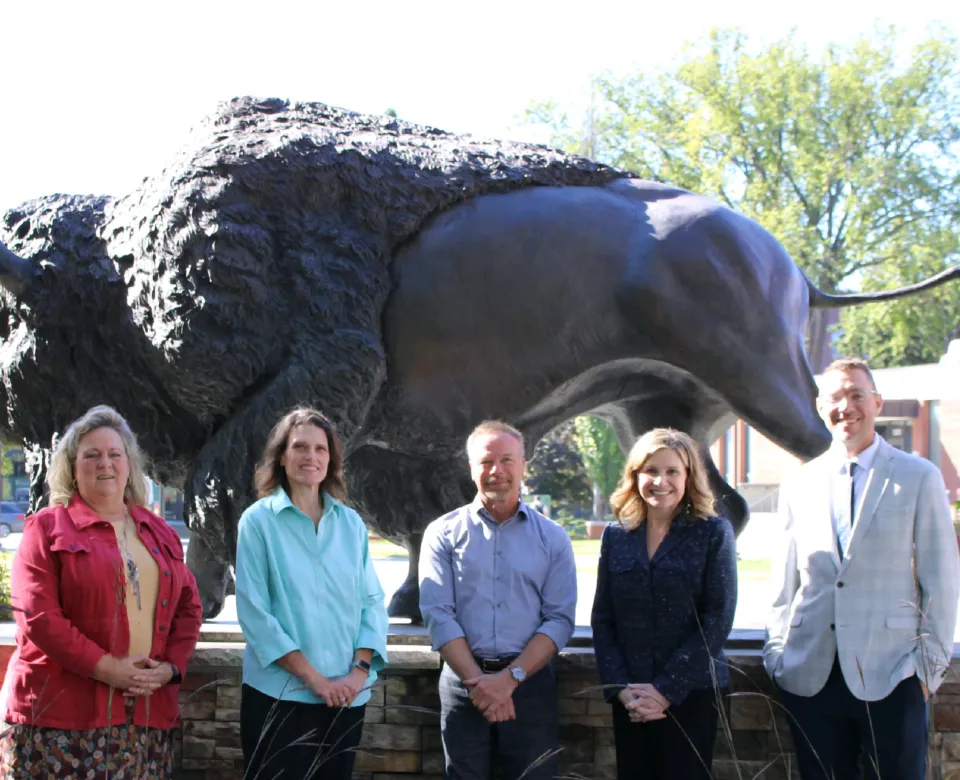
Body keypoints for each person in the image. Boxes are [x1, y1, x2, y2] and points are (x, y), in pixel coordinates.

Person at [764, 357, 960, 780]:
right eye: (835, 397)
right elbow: (784, 582)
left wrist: (926, 672)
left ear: (877, 403)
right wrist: (778, 655)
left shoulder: (919, 477)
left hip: (893, 675)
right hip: (810, 675)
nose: (845, 406)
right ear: (820, 409)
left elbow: (942, 582)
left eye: (856, 394)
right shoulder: (800, 482)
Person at [0, 405, 203, 778]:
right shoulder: (45, 529)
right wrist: (108, 669)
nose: (104, 463)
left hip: (143, 718)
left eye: (114, 454)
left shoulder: (159, 531)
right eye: (91, 455)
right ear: (73, 468)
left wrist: (170, 669)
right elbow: (39, 619)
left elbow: (189, 607)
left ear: (129, 465)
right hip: (58, 718)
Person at [236, 407, 389, 780]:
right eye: (300, 447)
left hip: (347, 697)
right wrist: (316, 680)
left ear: (331, 460)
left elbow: (372, 603)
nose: (311, 457)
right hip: (280, 697)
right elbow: (256, 616)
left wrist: (358, 673)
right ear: (282, 456)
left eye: (321, 449)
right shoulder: (257, 522)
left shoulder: (351, 525)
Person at [419, 420, 577, 780]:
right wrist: (479, 683)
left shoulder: (553, 539)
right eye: (486, 461)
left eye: (507, 460)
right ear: (471, 468)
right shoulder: (442, 533)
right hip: (463, 687)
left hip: (531, 688)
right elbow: (438, 614)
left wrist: (510, 679)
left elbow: (559, 619)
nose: (497, 471)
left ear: (523, 465)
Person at [591, 427, 737, 778]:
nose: (661, 481)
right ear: (635, 476)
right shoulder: (616, 536)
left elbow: (718, 617)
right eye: (651, 471)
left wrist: (666, 690)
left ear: (689, 477)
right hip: (633, 698)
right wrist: (621, 689)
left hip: (692, 693)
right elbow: (603, 618)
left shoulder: (713, 533)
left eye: (672, 471)